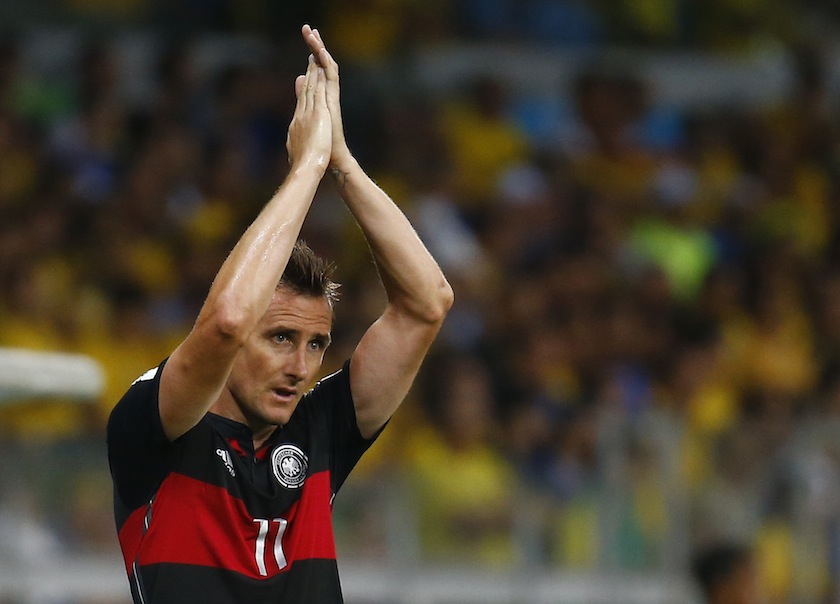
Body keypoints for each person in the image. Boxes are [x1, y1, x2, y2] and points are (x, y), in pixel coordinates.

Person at [106, 24, 453, 604]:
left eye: (316, 344)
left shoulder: (320, 431)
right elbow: (226, 320)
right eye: (281, 337)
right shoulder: (157, 424)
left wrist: (340, 162)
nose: (300, 365)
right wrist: (304, 170)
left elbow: (427, 304)